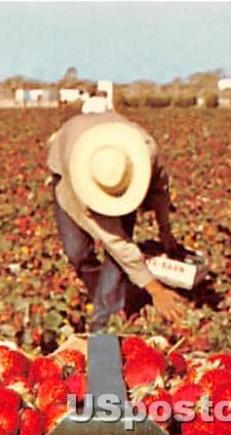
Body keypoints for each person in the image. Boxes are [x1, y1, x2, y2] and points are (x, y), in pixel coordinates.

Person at [46, 112, 187, 331]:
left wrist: (166, 234)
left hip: (116, 160)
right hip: (66, 162)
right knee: (77, 251)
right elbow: (117, 242)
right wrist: (156, 291)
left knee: (117, 260)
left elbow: (160, 193)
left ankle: (104, 324)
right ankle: (108, 294)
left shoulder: (145, 154)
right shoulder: (79, 185)